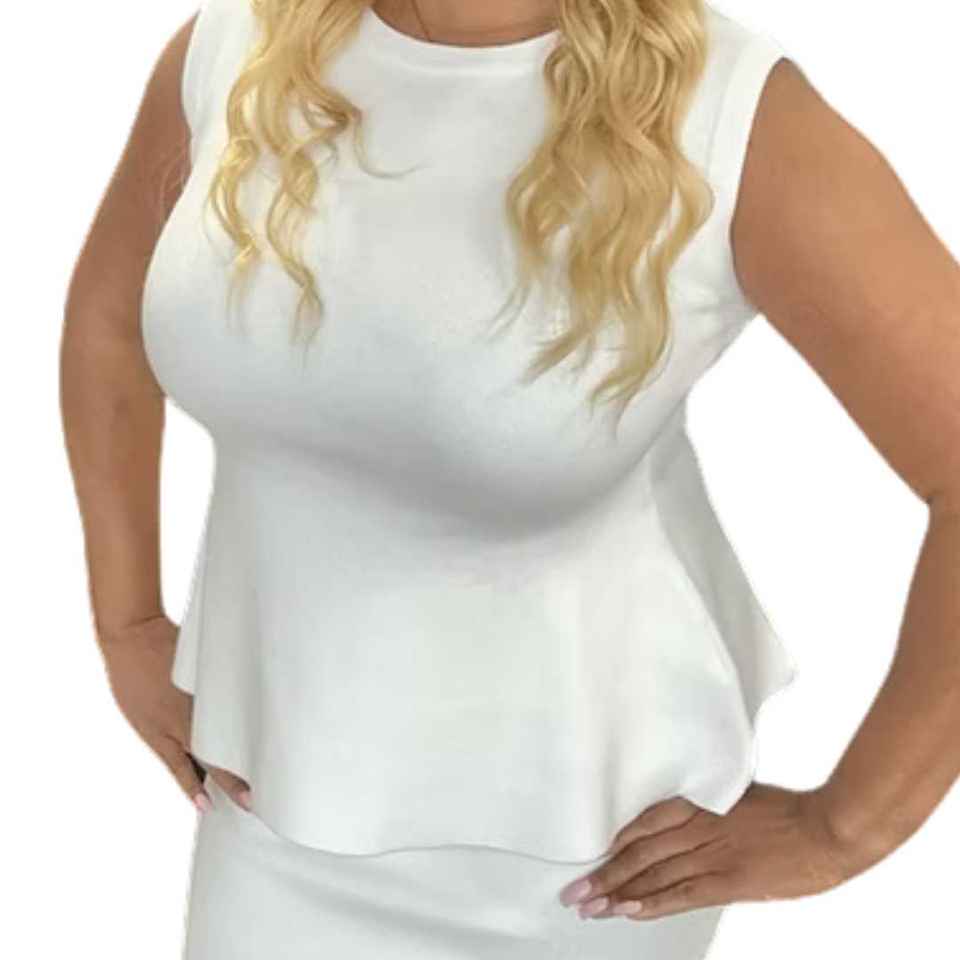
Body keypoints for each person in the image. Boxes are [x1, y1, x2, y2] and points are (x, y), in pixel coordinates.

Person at [60, 0, 960, 957]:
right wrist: (127, 624)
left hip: (581, 864)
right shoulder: (239, 46)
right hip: (268, 805)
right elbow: (110, 329)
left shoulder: (731, 116)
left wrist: (846, 829)